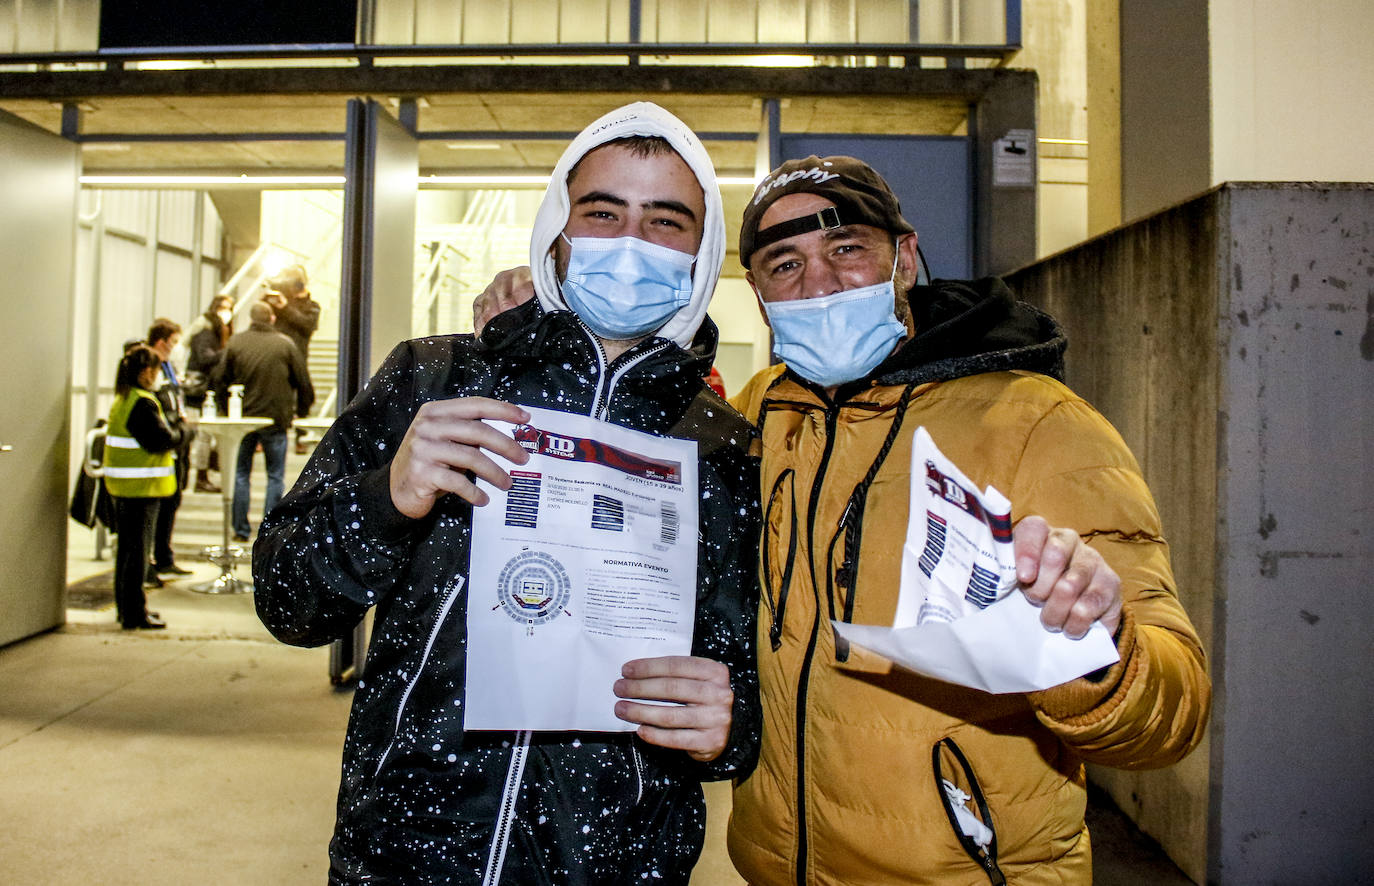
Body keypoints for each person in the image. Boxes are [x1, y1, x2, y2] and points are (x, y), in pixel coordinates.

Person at [473, 154, 1213, 884]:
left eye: (847, 250)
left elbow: (1172, 717)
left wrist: (1097, 642)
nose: (819, 284)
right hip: (772, 864)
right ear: (756, 294)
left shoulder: (1037, 423)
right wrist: (545, 324)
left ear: (904, 258)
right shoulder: (760, 413)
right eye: (784, 265)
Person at [251, 102, 761, 884]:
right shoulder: (436, 379)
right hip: (404, 856)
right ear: (557, 229)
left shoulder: (720, 447)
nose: (629, 244)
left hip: (617, 866)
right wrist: (387, 497)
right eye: (602, 212)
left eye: (666, 222)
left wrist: (723, 726)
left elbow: (745, 690)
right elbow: (288, 602)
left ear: (703, 252)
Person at [103, 345, 193, 629]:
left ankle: (127, 609)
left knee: (127, 554)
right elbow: (162, 440)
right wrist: (187, 431)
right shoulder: (143, 402)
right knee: (137, 555)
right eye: (155, 370)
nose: (157, 376)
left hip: (126, 488)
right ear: (146, 372)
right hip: (142, 489)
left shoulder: (123, 398)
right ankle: (134, 613)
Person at [214, 301, 313, 543]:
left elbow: (219, 379)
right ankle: (269, 530)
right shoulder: (285, 344)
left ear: (251, 318)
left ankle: (240, 530)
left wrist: (224, 410)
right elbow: (304, 383)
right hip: (275, 419)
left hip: (243, 420)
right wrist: (300, 411)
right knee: (275, 476)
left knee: (240, 473)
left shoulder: (236, 342)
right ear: (271, 319)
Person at [145, 318, 193, 581]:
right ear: (162, 341)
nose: (175, 347)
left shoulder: (169, 367)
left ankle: (164, 557)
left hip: (177, 441)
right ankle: (150, 561)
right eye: (173, 342)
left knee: (172, 502)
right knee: (159, 506)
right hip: (163, 444)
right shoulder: (149, 364)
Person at [263, 264, 321, 454]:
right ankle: (263, 434)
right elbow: (263, 315)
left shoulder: (312, 307)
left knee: (305, 395)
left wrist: (285, 307)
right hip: (276, 355)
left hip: (298, 355)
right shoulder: (278, 301)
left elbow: (307, 325)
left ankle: (300, 436)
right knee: (271, 392)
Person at [184, 294, 235, 493]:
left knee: (209, 435)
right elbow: (205, 359)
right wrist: (228, 351)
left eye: (229, 307)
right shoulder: (205, 332)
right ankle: (201, 476)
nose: (226, 312)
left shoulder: (220, 331)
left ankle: (206, 471)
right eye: (222, 307)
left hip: (211, 390)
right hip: (202, 391)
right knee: (204, 435)